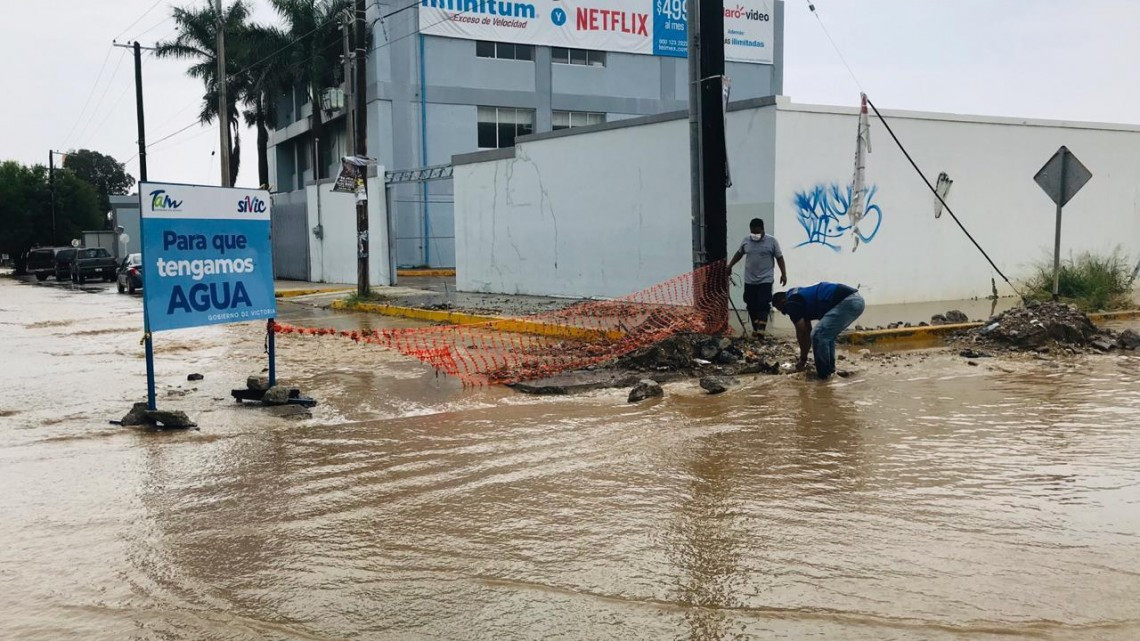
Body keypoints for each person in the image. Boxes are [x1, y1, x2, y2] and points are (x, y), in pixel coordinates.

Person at [772, 282, 865, 380]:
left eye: (782, 309)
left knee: (819, 335)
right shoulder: (796, 296)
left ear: (782, 302)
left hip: (848, 301)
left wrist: (803, 359)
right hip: (854, 300)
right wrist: (803, 359)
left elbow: (802, 332)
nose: (785, 313)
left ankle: (824, 378)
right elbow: (806, 331)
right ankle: (830, 372)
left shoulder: (791, 303)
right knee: (826, 335)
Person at [726, 218, 786, 338]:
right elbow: (739, 253)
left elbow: (779, 258)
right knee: (751, 304)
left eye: (757, 232)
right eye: (753, 232)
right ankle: (755, 329)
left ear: (763, 230)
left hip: (765, 279)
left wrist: (783, 274)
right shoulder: (746, 241)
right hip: (750, 279)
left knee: (763, 303)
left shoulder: (772, 241)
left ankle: (761, 331)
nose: (755, 235)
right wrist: (730, 265)